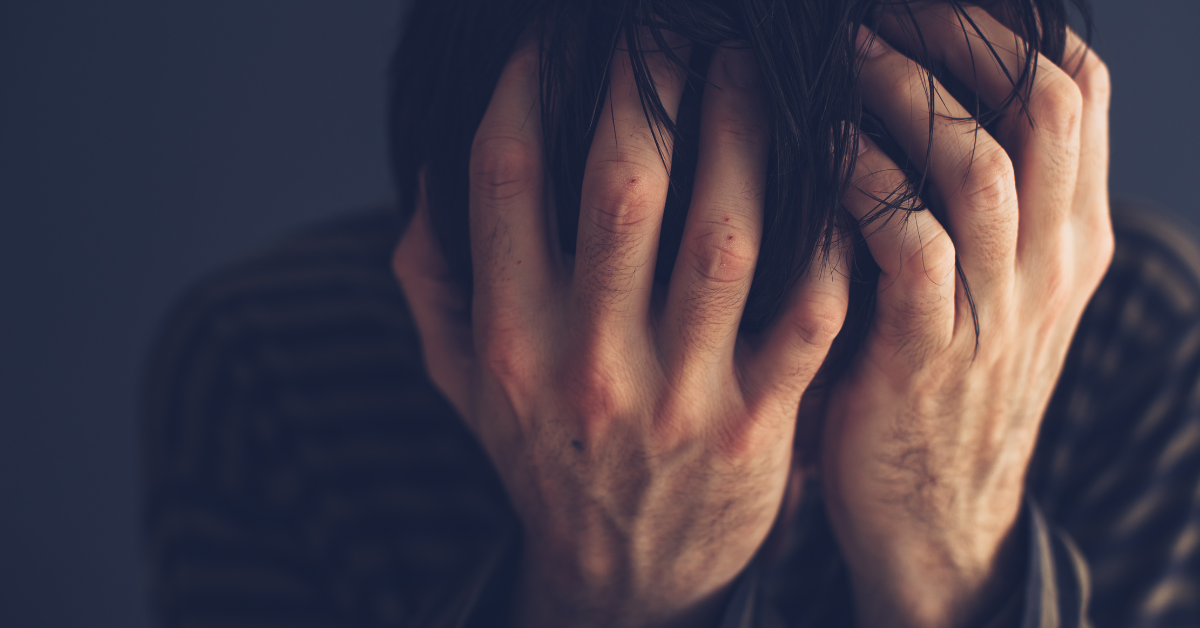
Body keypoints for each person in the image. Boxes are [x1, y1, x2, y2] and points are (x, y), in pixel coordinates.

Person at [142, 0, 1200, 626]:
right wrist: (610, 595)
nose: (732, 444)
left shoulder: (1136, 344)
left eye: (857, 353)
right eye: (664, 336)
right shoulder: (272, 377)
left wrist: (956, 564)